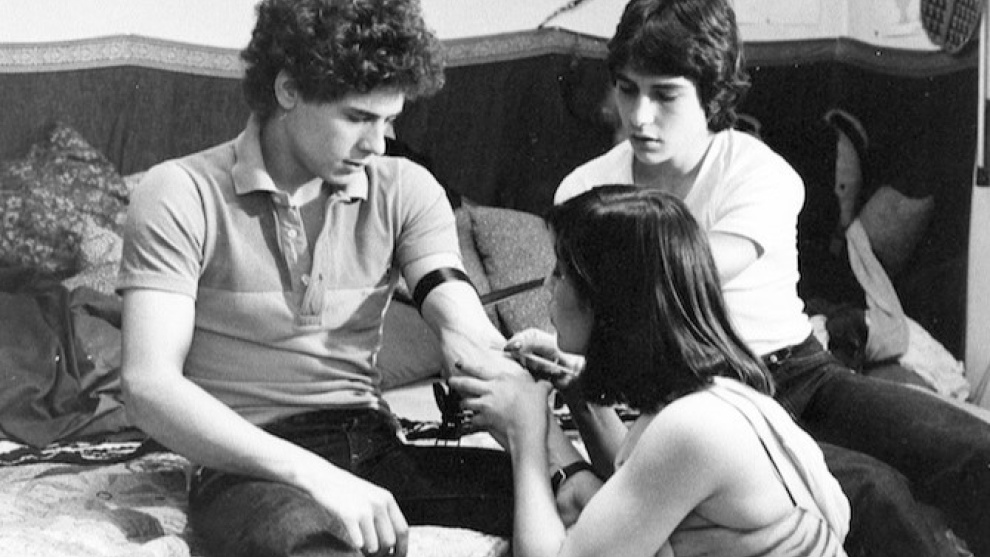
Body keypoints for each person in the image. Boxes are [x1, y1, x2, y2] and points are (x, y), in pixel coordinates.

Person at [547, 1, 990, 556]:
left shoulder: (758, 171)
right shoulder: (585, 189)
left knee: (974, 447)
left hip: (800, 375)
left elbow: (692, 272)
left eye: (664, 95)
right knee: (872, 492)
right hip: (696, 399)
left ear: (711, 95)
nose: (639, 116)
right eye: (627, 89)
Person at [117, 1, 518, 556]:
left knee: (578, 505)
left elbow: (461, 320)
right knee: (311, 544)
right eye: (357, 118)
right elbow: (147, 386)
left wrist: (503, 362)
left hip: (373, 445)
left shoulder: (407, 188)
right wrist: (316, 476)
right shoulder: (180, 193)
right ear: (288, 90)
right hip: (248, 464)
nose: (377, 144)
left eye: (389, 120)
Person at [451, 186, 851, 557]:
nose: (546, 283)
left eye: (561, 271)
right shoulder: (714, 397)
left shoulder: (692, 427)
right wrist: (581, 394)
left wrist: (525, 431)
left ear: (610, 299)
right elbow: (637, 484)